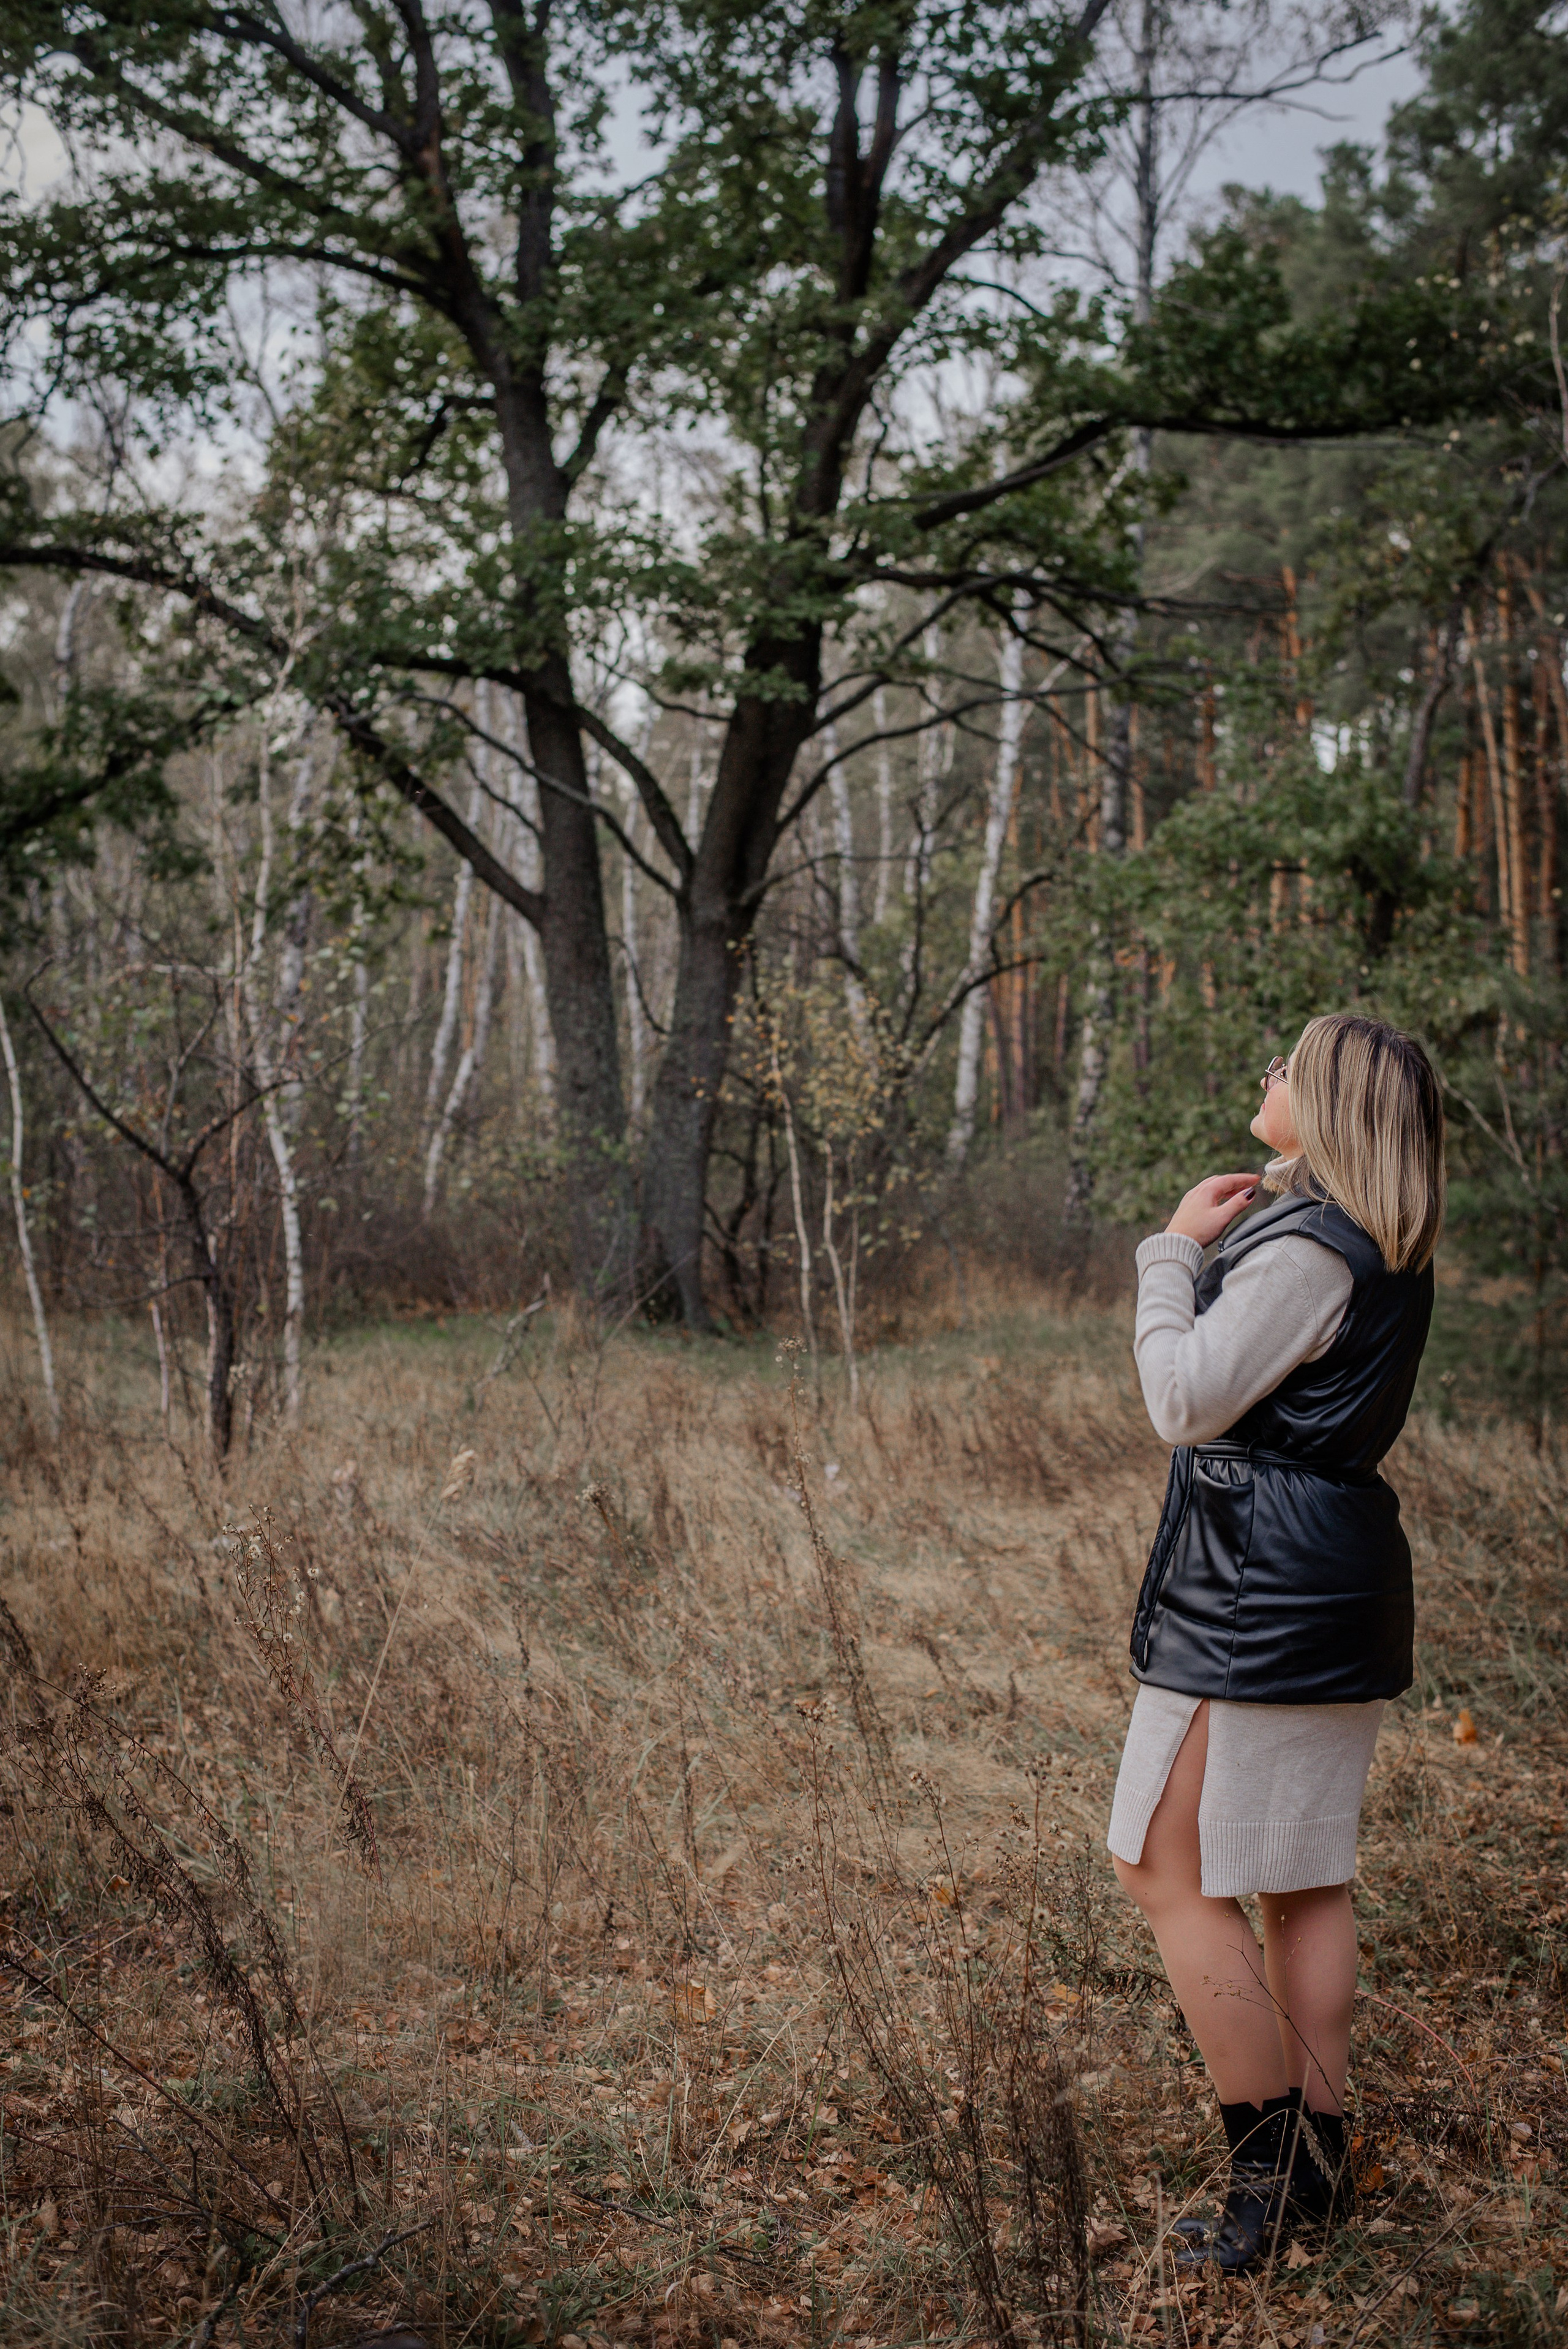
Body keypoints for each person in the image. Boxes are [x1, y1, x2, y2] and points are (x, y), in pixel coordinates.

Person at [1107, 1012, 1445, 2275]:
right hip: (1327, 1577)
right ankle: (1313, 2168)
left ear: (1335, 1103)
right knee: (1299, 1876)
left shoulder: (1306, 1248)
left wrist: (1164, 1256)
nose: (1265, 1073)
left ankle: (1267, 2189)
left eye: (1286, 1063)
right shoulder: (1375, 1238)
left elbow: (1181, 1399)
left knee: (1163, 1867)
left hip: (1254, 1591)